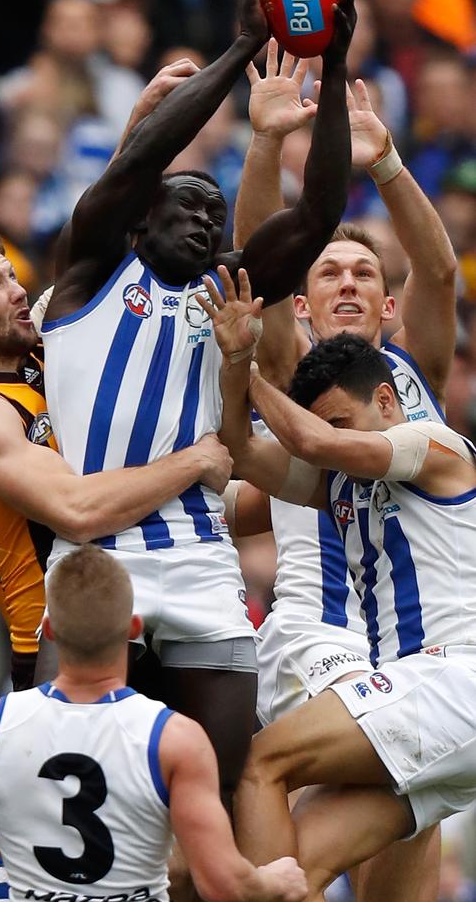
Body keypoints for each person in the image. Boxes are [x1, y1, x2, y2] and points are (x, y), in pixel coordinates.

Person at [40, 0, 355, 811]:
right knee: (91, 789)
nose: (211, 219)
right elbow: (143, 157)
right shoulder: (91, 268)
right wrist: (240, 46)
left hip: (202, 563)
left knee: (211, 800)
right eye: (192, 205)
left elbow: (320, 211)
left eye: (219, 214)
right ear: (145, 216)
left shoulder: (231, 290)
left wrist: (334, 63)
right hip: (98, 560)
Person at [227, 37, 456, 900]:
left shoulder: (409, 383)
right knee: (351, 793)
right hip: (320, 634)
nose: (351, 282)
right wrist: (263, 145)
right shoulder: (292, 364)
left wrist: (389, 164)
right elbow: (258, 250)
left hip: (413, 640)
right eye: (329, 272)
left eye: (366, 271)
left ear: (388, 305)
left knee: (404, 816)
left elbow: (439, 268)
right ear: (300, 300)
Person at [0, 231, 232, 693]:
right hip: (52, 653)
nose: (18, 289)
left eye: (13, 276)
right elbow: (78, 513)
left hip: (139, 620)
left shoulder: (49, 361)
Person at [201, 294, 476, 899]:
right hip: (430, 697)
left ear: (385, 400)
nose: (330, 437)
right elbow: (245, 453)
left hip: (456, 678)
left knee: (259, 764)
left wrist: (246, 361)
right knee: (298, 865)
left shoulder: (434, 443)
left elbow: (312, 442)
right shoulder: (344, 483)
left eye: (341, 421)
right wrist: (230, 371)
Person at [0, 543, 307, 902]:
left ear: (48, 629)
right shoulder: (174, 738)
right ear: (134, 627)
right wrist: (273, 881)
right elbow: (221, 884)